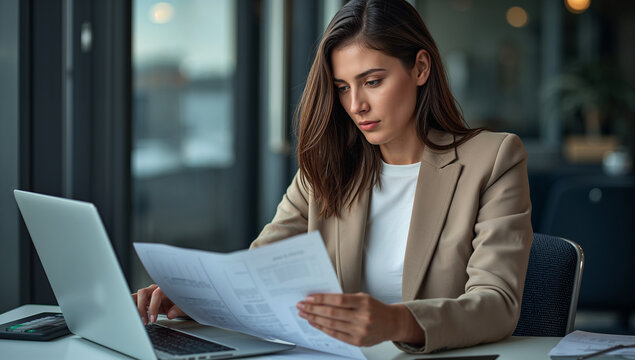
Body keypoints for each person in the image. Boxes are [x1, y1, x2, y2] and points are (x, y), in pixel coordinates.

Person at [133, 0, 533, 354]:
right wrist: (196, 296)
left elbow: (496, 304)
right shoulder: (327, 168)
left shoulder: (493, 159)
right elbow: (256, 272)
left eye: (373, 82)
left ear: (420, 68)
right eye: (342, 88)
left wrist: (396, 322)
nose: (356, 105)